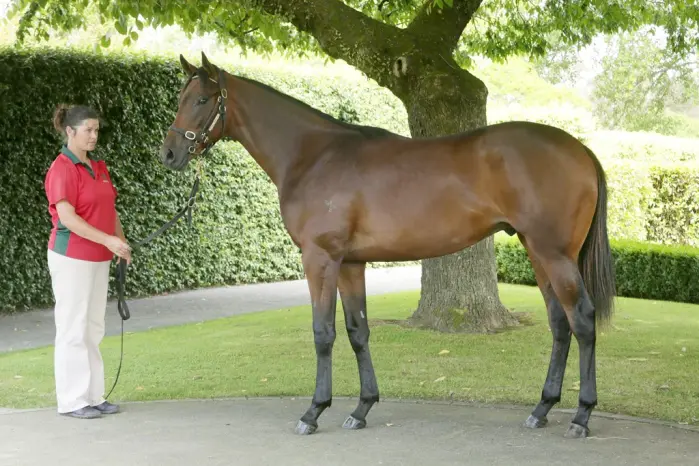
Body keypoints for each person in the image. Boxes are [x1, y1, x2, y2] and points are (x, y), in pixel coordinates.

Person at [44, 104, 132, 419]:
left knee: (93, 328)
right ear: (70, 131)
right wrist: (108, 240)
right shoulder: (62, 168)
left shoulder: (99, 167)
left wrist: (120, 243)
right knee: (73, 328)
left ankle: (93, 396)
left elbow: (110, 211)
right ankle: (72, 401)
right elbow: (67, 218)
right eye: (88, 130)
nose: (94, 135)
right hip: (71, 257)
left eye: (96, 130)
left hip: (99, 257)